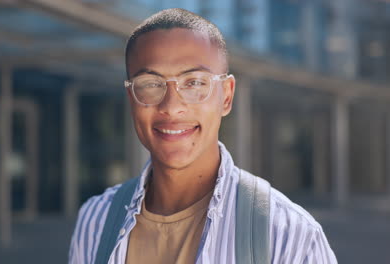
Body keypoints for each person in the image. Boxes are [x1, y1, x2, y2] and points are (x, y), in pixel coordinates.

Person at [69, 8, 337, 264]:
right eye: (151, 84)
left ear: (227, 96)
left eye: (195, 83)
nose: (172, 107)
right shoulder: (96, 219)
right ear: (132, 99)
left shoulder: (290, 236)